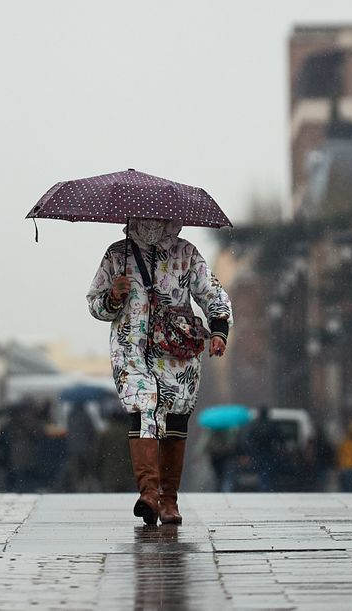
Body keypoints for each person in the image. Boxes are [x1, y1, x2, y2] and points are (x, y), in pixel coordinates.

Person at [87, 217, 232, 526]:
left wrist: (219, 329)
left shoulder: (186, 254)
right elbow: (95, 305)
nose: (151, 223)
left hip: (177, 352)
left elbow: (212, 293)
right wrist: (113, 296)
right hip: (131, 351)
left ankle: (169, 499)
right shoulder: (117, 255)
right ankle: (149, 494)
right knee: (142, 412)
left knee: (175, 419)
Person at [63, 401, 97, 493]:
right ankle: (87, 486)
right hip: (86, 448)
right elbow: (92, 431)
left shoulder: (70, 416)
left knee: (76, 469)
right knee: (88, 469)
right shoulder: (86, 416)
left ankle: (76, 486)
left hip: (73, 448)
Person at [243, 408, 279, 492]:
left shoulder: (255, 424)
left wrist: (251, 450)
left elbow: (249, 438)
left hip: (258, 453)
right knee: (268, 471)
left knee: (261, 472)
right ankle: (267, 488)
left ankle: (263, 488)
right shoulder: (271, 424)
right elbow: (279, 437)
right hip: (269, 452)